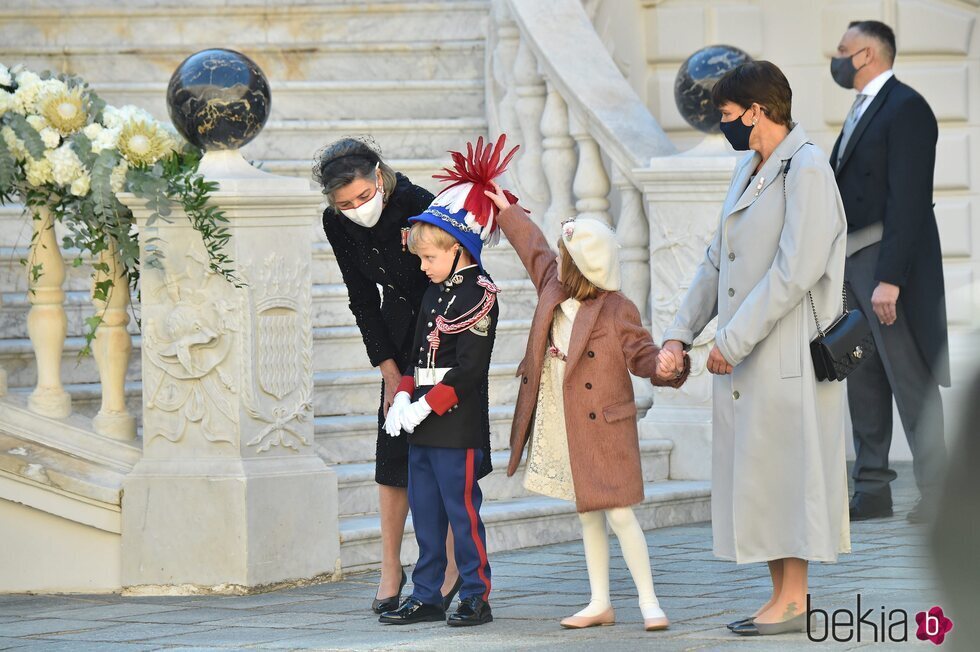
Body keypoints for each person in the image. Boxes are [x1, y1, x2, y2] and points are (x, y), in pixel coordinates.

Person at [658, 61, 851, 636]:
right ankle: (780, 596)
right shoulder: (750, 166)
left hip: (785, 351)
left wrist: (732, 338)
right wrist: (680, 331)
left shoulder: (808, 168)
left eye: (726, 115)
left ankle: (795, 600)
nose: (724, 126)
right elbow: (718, 259)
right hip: (751, 355)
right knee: (761, 477)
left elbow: (796, 271)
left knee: (788, 476)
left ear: (757, 111)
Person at [486, 183, 689, 632]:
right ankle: (599, 600)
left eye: (566, 254)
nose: (557, 260)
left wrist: (666, 365)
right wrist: (507, 212)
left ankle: (649, 601)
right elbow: (533, 251)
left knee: (618, 511)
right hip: (566, 418)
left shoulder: (617, 309)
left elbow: (642, 355)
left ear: (583, 264)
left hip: (604, 425)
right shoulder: (552, 290)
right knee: (587, 511)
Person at [314, 138, 486, 613]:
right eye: (344, 204)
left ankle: (456, 568)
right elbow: (361, 296)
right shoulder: (337, 223)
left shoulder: (417, 203)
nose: (355, 209)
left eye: (362, 197)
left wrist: (456, 341)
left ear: (379, 177)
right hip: (395, 339)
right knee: (394, 456)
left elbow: (463, 269)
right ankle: (391, 565)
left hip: (445, 330)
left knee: (450, 456)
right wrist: (390, 371)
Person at [378, 135, 516, 627]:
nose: (423, 267)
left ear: (458, 250)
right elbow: (417, 356)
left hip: (454, 424)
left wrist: (425, 405)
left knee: (461, 514)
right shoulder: (436, 290)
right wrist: (402, 399)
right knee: (426, 514)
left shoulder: (479, 292)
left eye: (429, 258)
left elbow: (469, 369)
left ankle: (476, 592)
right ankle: (428, 592)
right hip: (421, 421)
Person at [829, 20, 949, 524]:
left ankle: (941, 494)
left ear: (867, 55)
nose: (835, 57)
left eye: (843, 49)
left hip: (886, 264)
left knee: (910, 380)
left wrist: (891, 277)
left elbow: (909, 200)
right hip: (853, 264)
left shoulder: (907, 108)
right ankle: (873, 489)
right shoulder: (860, 110)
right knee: (862, 378)